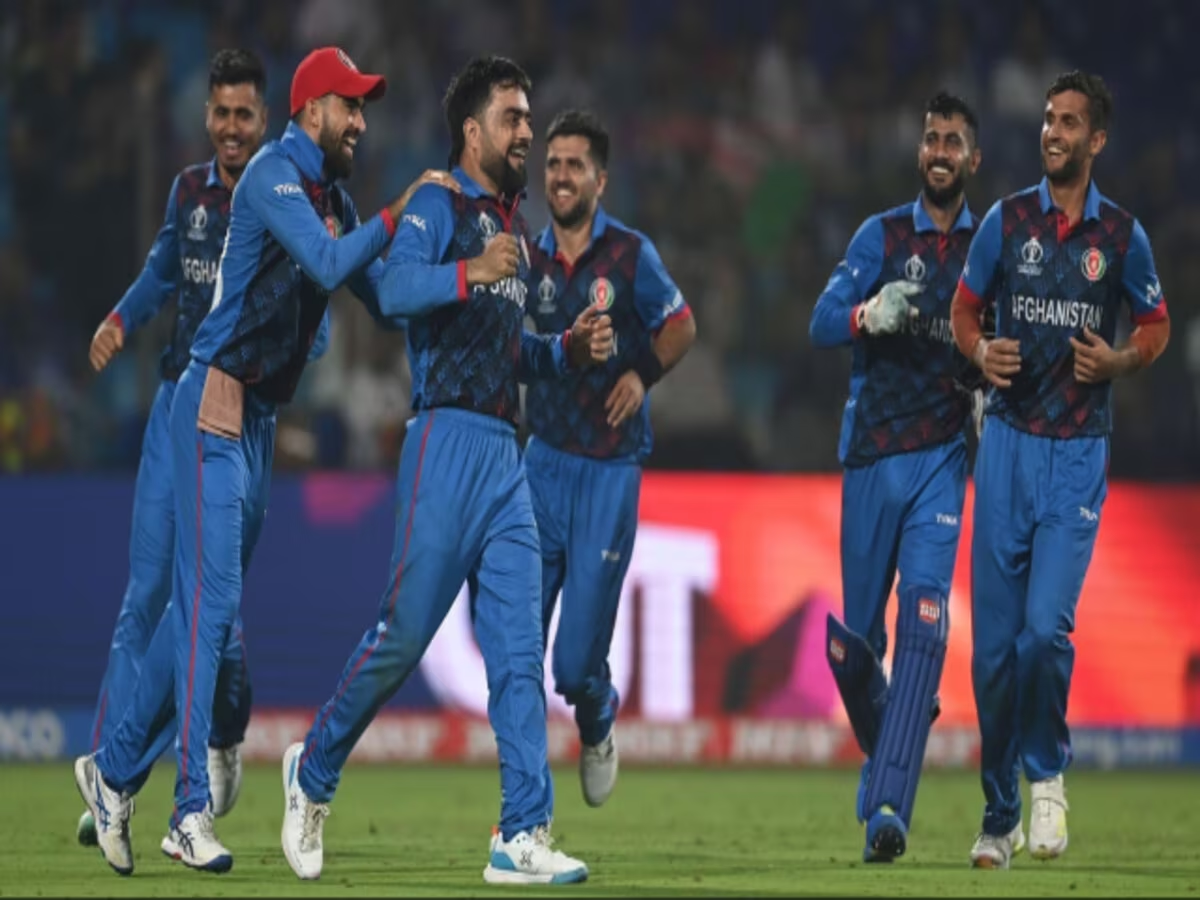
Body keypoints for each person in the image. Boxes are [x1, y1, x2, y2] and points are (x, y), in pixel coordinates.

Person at [73, 45, 456, 876]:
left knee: (197, 614)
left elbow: (384, 298)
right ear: (312, 108)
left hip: (257, 420)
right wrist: (401, 208)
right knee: (209, 608)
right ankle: (188, 812)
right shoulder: (273, 175)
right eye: (350, 106)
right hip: (210, 400)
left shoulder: (331, 198)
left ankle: (112, 771)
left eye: (364, 108)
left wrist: (459, 275)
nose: (361, 122)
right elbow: (329, 263)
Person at [280, 56, 611, 886]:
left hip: (506, 457)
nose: (527, 132)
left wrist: (564, 353)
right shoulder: (438, 205)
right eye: (513, 118)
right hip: (444, 443)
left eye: (528, 116)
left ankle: (521, 833)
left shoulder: (512, 231)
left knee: (518, 654)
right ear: (472, 130)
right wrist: (472, 270)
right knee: (401, 638)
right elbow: (392, 293)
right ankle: (311, 773)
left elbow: (510, 352)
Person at [951, 70, 1170, 869]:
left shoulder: (1123, 237)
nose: (1053, 132)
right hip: (1007, 445)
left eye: (1069, 122)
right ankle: (998, 816)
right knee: (992, 655)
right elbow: (963, 309)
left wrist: (1118, 362)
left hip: (1077, 452)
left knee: (1044, 632)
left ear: (1096, 140)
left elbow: (1156, 325)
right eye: (1049, 119)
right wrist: (980, 350)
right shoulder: (1007, 222)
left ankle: (1046, 777)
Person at [77, 48, 271, 850]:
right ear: (208, 116)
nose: (231, 127)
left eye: (244, 114)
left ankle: (224, 729)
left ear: (265, 119)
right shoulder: (189, 192)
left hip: (241, 417)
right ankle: (109, 776)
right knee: (146, 596)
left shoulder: (279, 199)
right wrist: (121, 318)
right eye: (221, 112)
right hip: (176, 407)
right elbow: (163, 270)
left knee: (214, 613)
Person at [808, 91, 984, 863]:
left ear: (973, 158)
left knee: (924, 622)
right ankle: (893, 738)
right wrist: (866, 314)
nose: (940, 151)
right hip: (872, 456)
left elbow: (1005, 342)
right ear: (920, 152)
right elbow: (821, 322)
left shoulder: (991, 247)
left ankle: (889, 808)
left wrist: (990, 386)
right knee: (855, 650)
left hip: (942, 457)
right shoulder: (879, 236)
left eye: (953, 141)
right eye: (931, 139)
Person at [523, 108, 694, 808]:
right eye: (553, 163)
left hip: (607, 470)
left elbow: (681, 326)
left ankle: (596, 717)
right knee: (514, 646)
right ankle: (523, 808)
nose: (561, 176)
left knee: (570, 666)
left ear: (601, 179)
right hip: (540, 465)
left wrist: (640, 375)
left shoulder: (629, 255)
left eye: (575, 165)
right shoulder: (525, 255)